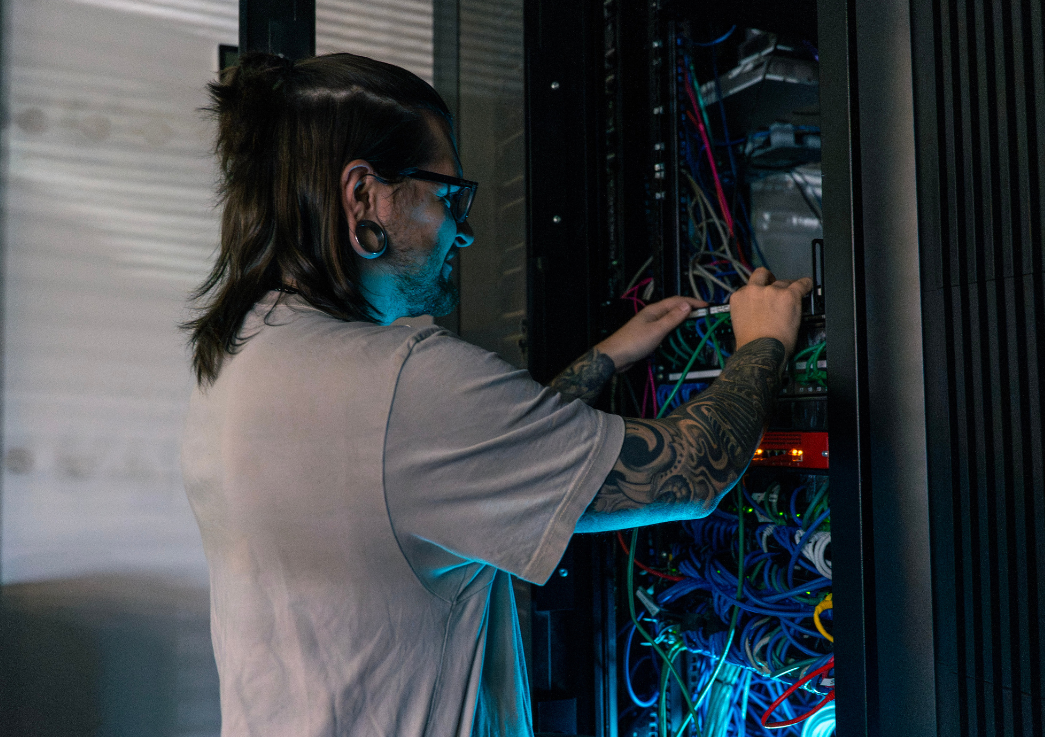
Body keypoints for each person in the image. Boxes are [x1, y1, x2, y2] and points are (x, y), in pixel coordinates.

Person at [181, 52, 812, 737]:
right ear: (363, 197)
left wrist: (604, 358)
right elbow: (691, 470)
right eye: (448, 197)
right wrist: (763, 341)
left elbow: (445, 469)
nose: (466, 229)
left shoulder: (240, 358)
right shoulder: (404, 385)